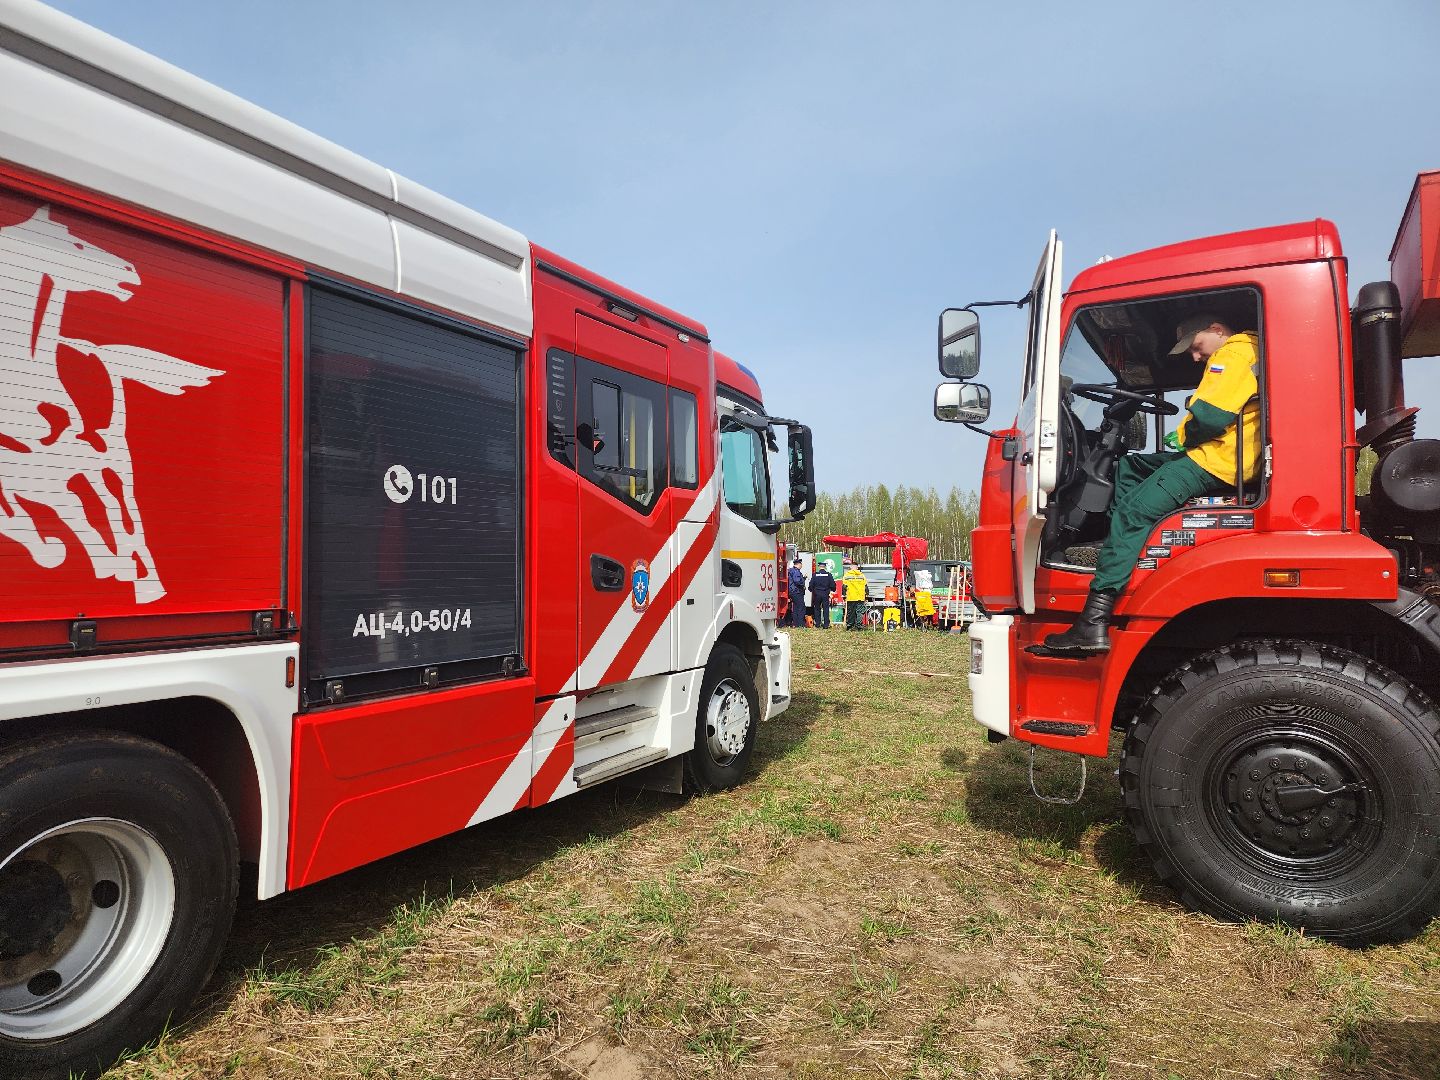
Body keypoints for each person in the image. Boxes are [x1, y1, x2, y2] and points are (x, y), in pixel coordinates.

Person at [1040, 313, 1260, 655]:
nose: (1195, 356)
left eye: (1196, 346)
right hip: (1226, 455)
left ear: (1216, 329)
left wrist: (1185, 434)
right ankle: (1117, 549)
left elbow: (1210, 417)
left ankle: (1093, 623)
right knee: (1130, 466)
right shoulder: (1248, 352)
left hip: (1220, 461)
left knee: (1132, 512)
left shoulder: (1233, 353)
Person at [809, 561, 837, 630]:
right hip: (825, 594)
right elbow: (833, 585)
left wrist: (812, 590)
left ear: (819, 567)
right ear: (825, 567)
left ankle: (818, 624)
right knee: (826, 609)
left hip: (817, 594)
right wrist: (832, 589)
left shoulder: (815, 575)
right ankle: (826, 624)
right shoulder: (828, 575)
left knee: (817, 609)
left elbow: (811, 585)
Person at [842, 562, 868, 629]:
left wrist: (844, 596)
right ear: (857, 567)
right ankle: (859, 625)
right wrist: (866, 595)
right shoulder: (862, 575)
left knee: (851, 612)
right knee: (859, 612)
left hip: (851, 597)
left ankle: (850, 626)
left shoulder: (846, 575)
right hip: (860, 597)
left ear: (851, 567)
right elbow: (866, 587)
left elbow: (844, 587)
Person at [787, 558, 807, 628]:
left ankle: (795, 623)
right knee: (801, 607)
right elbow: (797, 581)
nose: (802, 565)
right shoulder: (796, 571)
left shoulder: (791, 570)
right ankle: (800, 624)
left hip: (793, 592)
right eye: (801, 564)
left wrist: (803, 578)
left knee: (795, 608)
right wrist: (803, 585)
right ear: (798, 564)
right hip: (797, 591)